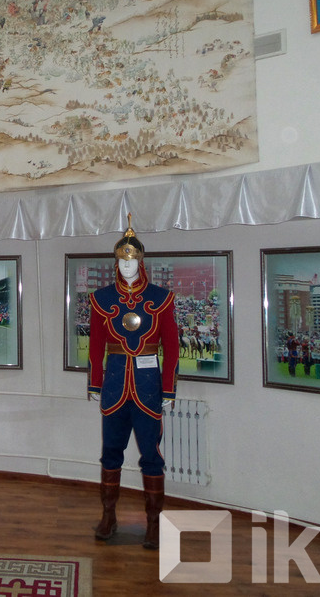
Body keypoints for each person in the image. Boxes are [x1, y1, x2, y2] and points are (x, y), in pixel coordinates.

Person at [87, 216, 179, 550]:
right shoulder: (101, 298)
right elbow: (96, 345)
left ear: (141, 262)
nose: (127, 266)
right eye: (122, 261)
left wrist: (168, 388)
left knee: (151, 456)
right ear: (116, 262)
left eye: (132, 260)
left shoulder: (161, 298)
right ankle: (108, 516)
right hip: (114, 387)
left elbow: (172, 346)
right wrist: (95, 383)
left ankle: (154, 523)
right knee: (110, 453)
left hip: (148, 388)